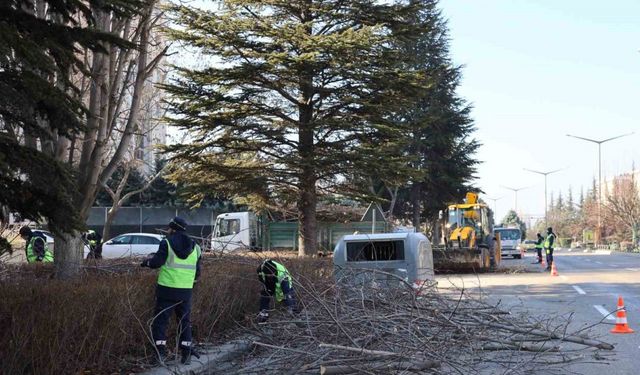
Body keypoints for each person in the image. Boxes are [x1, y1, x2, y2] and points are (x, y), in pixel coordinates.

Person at [140, 217, 202, 365]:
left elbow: (156, 263)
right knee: (184, 322)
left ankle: (160, 353)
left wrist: (146, 262)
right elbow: (197, 272)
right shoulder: (196, 247)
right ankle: (186, 353)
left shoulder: (166, 243)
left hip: (167, 290)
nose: (168, 230)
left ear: (173, 229)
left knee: (161, 322)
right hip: (185, 291)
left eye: (169, 228)